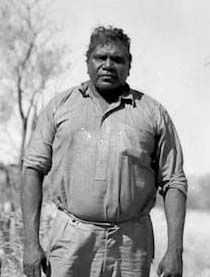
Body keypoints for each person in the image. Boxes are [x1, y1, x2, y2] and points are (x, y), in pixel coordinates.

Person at [21, 25, 187, 277]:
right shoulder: (59, 107)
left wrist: (175, 251)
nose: (108, 65)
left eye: (118, 59)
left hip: (131, 244)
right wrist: (31, 244)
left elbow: (174, 181)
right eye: (101, 57)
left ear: (129, 65)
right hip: (71, 241)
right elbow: (32, 169)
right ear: (87, 61)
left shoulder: (152, 113)